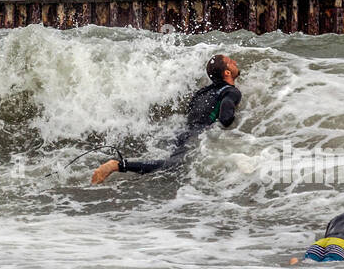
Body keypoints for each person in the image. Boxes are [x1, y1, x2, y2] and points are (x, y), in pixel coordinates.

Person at [91, 54, 242, 184]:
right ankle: (118, 165)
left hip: (183, 132)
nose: (235, 62)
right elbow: (225, 119)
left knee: (171, 166)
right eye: (231, 62)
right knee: (171, 166)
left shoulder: (201, 92)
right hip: (196, 135)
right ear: (227, 72)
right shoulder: (231, 92)